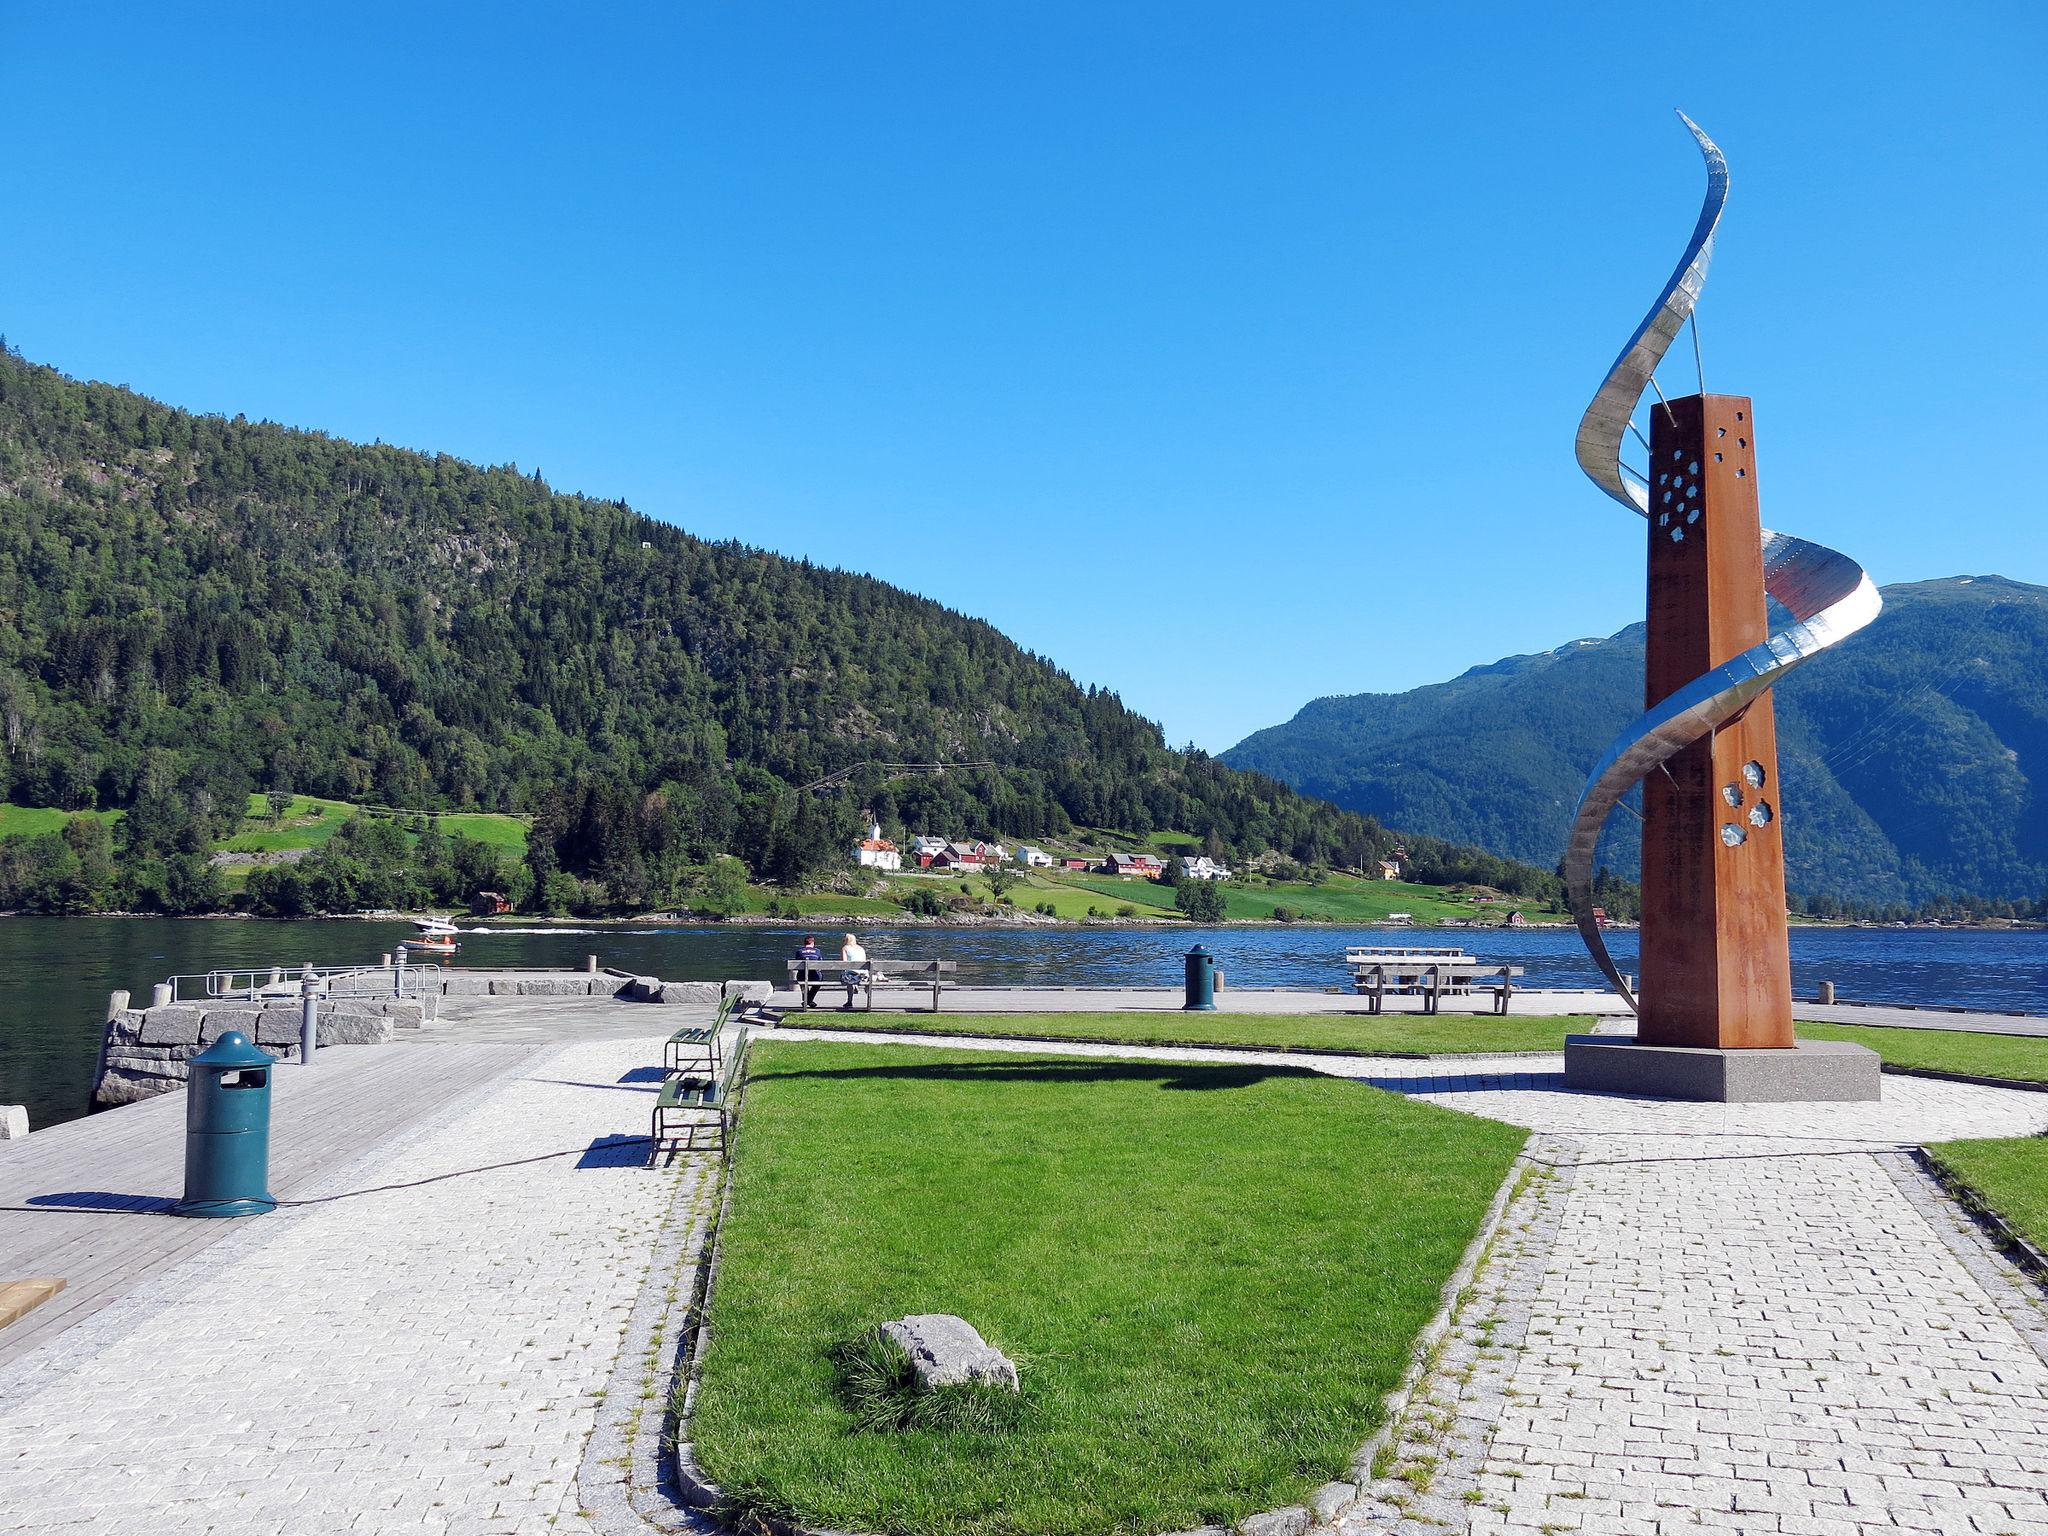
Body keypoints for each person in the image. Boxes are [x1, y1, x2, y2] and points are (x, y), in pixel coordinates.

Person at [838, 932, 869, 1010]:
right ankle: (856, 984)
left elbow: (844, 963)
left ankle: (849, 1001)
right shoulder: (861, 948)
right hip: (863, 974)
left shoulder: (845, 948)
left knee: (847, 977)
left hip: (851, 975)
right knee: (852, 976)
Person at [794, 934, 823, 1008]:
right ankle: (809, 1000)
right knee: (819, 980)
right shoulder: (817, 951)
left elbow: (796, 964)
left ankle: (807, 1000)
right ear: (813, 943)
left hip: (802, 976)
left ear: (804, 943)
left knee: (802, 981)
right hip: (815, 976)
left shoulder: (799, 951)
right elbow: (821, 964)